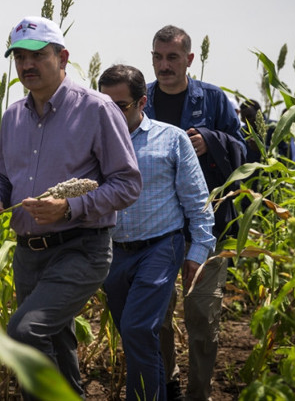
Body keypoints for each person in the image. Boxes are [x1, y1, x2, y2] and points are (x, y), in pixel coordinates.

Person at [0, 16, 142, 399]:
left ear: (62, 56)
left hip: (81, 248)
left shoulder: (97, 109)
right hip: (28, 255)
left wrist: (69, 208)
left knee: (25, 332)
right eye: (19, 56)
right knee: (58, 345)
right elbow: (2, 176)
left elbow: (128, 184)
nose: (26, 65)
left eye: (37, 55)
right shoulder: (13, 116)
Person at [98, 64, 215, 401]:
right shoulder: (94, 142)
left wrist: (198, 252)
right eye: (104, 104)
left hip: (160, 247)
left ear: (142, 102)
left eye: (119, 105)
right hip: (114, 251)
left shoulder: (171, 139)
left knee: (137, 329)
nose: (111, 113)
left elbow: (197, 201)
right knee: (135, 336)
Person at [144, 25, 246, 401]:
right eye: (157, 56)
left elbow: (244, 150)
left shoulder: (214, 99)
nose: (163, 65)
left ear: (189, 59)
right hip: (155, 226)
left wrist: (211, 140)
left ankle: (198, 392)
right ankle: (167, 382)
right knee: (157, 315)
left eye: (172, 57)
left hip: (207, 224)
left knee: (202, 317)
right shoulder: (144, 99)